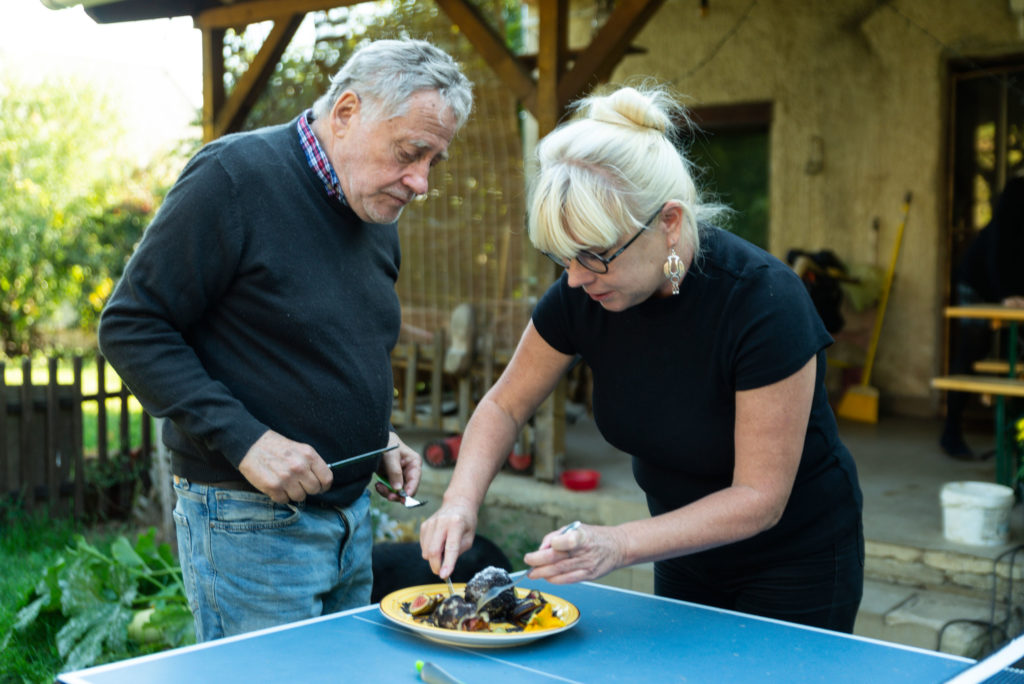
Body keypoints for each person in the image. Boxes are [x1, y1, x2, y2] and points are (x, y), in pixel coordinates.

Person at [419, 84, 864, 632]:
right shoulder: (583, 295)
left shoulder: (764, 303)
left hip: (797, 561)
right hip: (681, 548)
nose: (576, 279)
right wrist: (460, 502)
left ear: (669, 223)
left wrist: (619, 543)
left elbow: (758, 498)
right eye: (561, 258)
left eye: (594, 255)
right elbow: (505, 407)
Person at [98, 39, 473, 641]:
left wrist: (376, 436)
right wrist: (248, 441)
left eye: (434, 161)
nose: (422, 181)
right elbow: (132, 325)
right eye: (411, 153)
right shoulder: (232, 178)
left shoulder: (376, 210)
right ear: (347, 112)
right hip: (251, 524)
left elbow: (318, 347)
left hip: (352, 520)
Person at [940, 176, 1024, 460]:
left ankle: (1016, 436)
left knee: (1016, 352)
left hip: (1005, 291)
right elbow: (996, 257)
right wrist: (1007, 295)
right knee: (972, 350)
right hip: (977, 284)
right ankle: (951, 432)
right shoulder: (1011, 206)